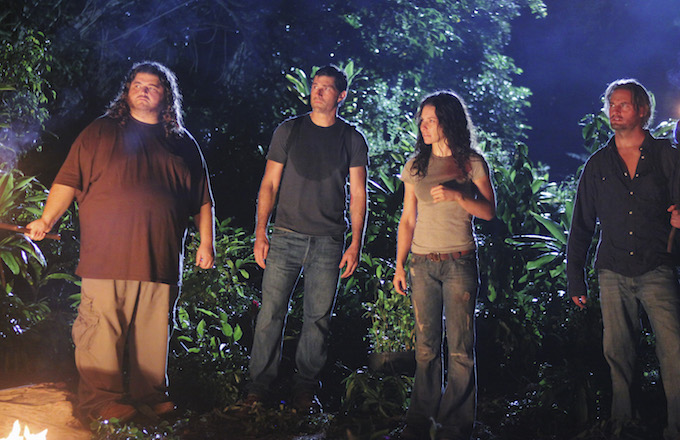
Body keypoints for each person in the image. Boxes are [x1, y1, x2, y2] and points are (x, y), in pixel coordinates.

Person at [25, 61, 215, 422]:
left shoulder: (182, 142)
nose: (144, 90)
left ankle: (151, 396)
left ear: (166, 96)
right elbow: (68, 180)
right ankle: (102, 401)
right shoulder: (100, 132)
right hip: (107, 256)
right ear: (127, 91)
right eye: (137, 84)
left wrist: (207, 244)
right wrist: (47, 220)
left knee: (153, 334)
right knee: (101, 330)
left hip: (160, 258)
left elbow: (203, 200)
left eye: (153, 86)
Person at [246, 65, 368, 412]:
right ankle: (258, 389)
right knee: (270, 313)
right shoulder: (289, 130)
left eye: (326, 87)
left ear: (341, 96)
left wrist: (355, 243)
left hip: (329, 241)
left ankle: (304, 391)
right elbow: (269, 183)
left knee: (317, 319)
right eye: (315, 86)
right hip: (285, 236)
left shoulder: (351, 139)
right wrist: (260, 232)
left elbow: (359, 195)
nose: (317, 91)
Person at [567, 78, 680, 439]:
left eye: (623, 105)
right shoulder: (597, 165)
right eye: (611, 105)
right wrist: (575, 278)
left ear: (643, 111)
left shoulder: (667, 157)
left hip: (657, 265)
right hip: (612, 270)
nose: (614, 111)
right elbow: (581, 225)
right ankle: (624, 428)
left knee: (675, 352)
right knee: (618, 355)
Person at [392, 91, 496, 440]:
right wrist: (399, 265)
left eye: (430, 120)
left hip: (459, 262)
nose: (423, 126)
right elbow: (408, 219)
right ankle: (419, 422)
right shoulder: (416, 166)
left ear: (448, 122)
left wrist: (458, 195)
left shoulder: (471, 163)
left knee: (461, 349)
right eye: (422, 120)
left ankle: (454, 426)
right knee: (426, 347)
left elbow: (489, 211)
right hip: (422, 264)